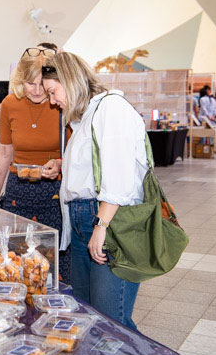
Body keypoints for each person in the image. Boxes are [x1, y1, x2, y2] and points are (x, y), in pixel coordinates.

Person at [41, 52, 148, 330]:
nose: (53, 102)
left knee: (112, 322)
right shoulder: (86, 117)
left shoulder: (111, 108)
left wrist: (101, 225)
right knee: (88, 316)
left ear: (69, 80)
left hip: (107, 220)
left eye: (53, 92)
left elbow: (120, 174)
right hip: (83, 222)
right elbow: (97, 164)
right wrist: (64, 166)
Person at [0, 46, 71, 283]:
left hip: (54, 193)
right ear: (20, 80)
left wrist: (60, 163)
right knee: (16, 260)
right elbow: (5, 152)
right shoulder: (9, 104)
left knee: (54, 262)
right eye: (29, 84)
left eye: (41, 84)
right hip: (18, 192)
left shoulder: (60, 102)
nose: (37, 91)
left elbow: (77, 149)